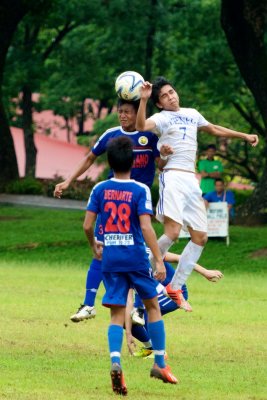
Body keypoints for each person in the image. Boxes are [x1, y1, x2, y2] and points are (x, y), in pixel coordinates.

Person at [135, 76, 259, 312]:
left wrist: (243, 135)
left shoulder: (192, 113)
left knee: (200, 237)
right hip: (172, 176)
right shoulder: (160, 118)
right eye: (164, 96)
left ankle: (175, 286)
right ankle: (148, 266)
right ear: (159, 103)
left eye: (172, 92)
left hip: (192, 181)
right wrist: (143, 100)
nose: (171, 96)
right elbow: (141, 126)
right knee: (172, 232)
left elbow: (213, 129)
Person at [54, 98, 166, 322]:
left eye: (127, 112)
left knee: (140, 252)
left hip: (138, 204)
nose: (123, 116)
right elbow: (89, 158)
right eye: (120, 111)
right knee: (101, 250)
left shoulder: (151, 136)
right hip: (113, 204)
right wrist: (68, 181)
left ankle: (139, 308)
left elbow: (161, 166)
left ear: (138, 114)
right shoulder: (110, 134)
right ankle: (88, 304)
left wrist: (165, 154)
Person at [83, 136, 178, 395]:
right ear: (134, 161)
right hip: (135, 258)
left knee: (116, 313)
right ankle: (159, 364)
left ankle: (116, 360)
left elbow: (87, 226)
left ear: (108, 161)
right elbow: (146, 227)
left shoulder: (99, 189)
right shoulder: (140, 189)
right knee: (152, 305)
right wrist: (158, 259)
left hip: (111, 259)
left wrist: (95, 246)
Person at [126, 252, 223, 358]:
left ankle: (159, 351)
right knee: (127, 317)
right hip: (153, 291)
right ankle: (151, 349)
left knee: (144, 314)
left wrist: (205, 272)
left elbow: (180, 258)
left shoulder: (146, 252)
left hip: (175, 291)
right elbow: (132, 291)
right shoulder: (122, 261)